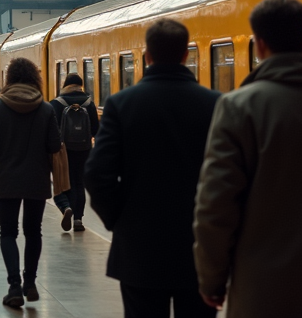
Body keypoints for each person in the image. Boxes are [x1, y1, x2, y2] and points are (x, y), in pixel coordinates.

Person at [194, 0, 302, 318]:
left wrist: (212, 280)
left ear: (259, 45)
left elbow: (216, 205)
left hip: (261, 289)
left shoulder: (237, 108)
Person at [83, 19, 220, 318]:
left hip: (139, 248)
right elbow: (229, 178)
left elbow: (96, 174)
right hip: (198, 246)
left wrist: (119, 221)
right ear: (186, 55)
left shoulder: (121, 104)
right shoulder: (216, 104)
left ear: (147, 56)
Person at [0, 58, 60, 308]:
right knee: (34, 232)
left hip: (7, 179)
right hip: (37, 179)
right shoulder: (46, 109)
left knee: (8, 232)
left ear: (10, 78)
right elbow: (55, 146)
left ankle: (14, 286)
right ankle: (31, 282)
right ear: (35, 79)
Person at [49, 74, 99, 232]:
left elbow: (51, 128)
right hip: (84, 149)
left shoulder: (57, 103)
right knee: (79, 182)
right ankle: (78, 219)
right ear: (81, 85)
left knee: (65, 181)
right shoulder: (89, 103)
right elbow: (96, 129)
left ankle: (67, 208)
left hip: (64, 150)